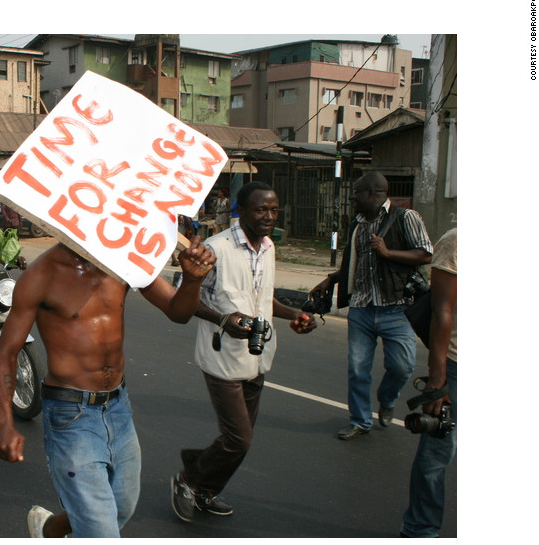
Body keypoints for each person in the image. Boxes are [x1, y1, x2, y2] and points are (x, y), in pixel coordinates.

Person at [0, 234, 216, 538]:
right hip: (71, 415)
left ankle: (50, 530)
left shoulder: (124, 259)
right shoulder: (42, 275)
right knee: (102, 531)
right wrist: (4, 422)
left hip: (118, 407)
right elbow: (6, 353)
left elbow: (178, 312)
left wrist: (191, 280)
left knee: (121, 506)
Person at [170, 181, 317, 522]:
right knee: (239, 439)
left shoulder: (268, 248)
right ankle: (188, 479)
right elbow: (185, 299)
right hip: (221, 356)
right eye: (261, 209)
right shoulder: (215, 247)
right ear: (242, 211)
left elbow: (263, 298)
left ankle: (206, 490)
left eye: (274, 210)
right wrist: (222, 319)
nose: (269, 216)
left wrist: (296, 314)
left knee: (238, 439)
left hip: (258, 355)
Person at [310, 171, 433, 440]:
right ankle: (360, 420)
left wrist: (388, 252)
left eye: (355, 193)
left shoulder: (405, 217)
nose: (352, 198)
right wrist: (330, 279)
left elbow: (425, 253)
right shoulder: (357, 224)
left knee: (402, 367)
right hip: (361, 308)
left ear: (371, 193)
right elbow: (356, 264)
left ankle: (387, 400)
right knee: (357, 368)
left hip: (396, 307)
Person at [399, 227, 457, 538]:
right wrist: (437, 380)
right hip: (456, 364)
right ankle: (420, 528)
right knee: (438, 452)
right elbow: (441, 310)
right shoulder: (457, 240)